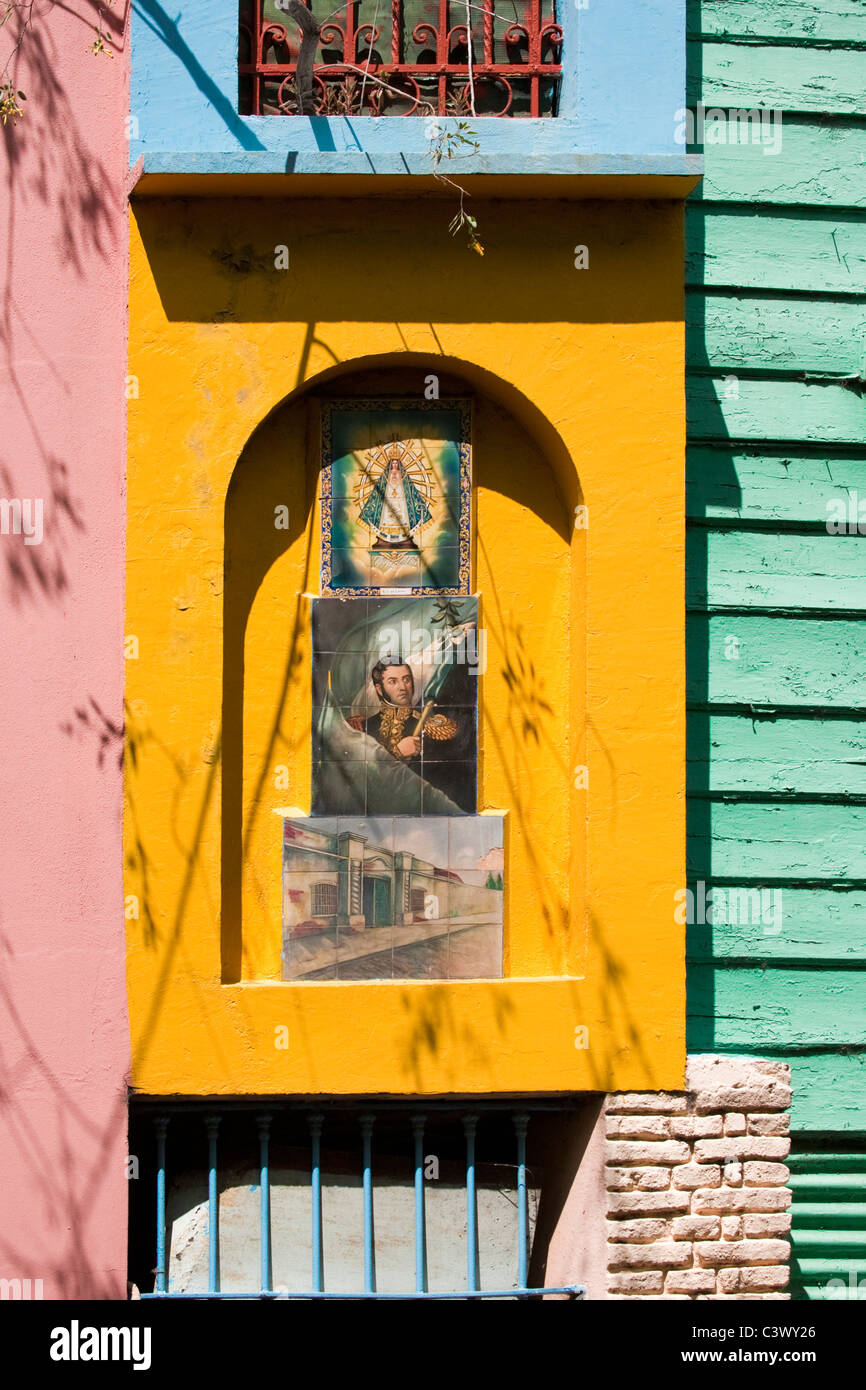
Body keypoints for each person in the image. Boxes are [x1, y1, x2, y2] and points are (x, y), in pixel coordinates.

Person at [358, 449, 432, 548]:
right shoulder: (385, 476)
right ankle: (385, 537)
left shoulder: (404, 476)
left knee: (402, 514)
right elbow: (382, 489)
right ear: (390, 464)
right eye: (393, 463)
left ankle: (404, 537)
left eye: (396, 463)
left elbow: (409, 490)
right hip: (388, 499)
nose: (394, 465)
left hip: (401, 499)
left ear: (399, 464)